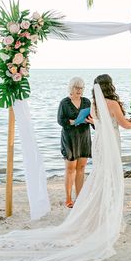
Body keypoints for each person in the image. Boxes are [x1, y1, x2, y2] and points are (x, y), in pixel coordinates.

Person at [0, 76, 131, 261]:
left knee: (99, 177)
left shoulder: (93, 105)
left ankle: (95, 213)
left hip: (98, 144)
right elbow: (124, 125)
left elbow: (97, 123)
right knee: (108, 178)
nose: (79, 90)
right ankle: (101, 215)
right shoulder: (110, 103)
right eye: (77, 88)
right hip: (106, 145)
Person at [57, 77, 92, 208]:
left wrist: (89, 120)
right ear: (71, 88)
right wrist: (74, 121)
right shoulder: (64, 103)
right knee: (70, 168)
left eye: (81, 88)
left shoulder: (87, 102)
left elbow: (92, 117)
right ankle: (68, 198)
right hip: (70, 138)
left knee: (81, 168)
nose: (79, 90)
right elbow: (60, 120)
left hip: (84, 137)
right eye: (76, 87)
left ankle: (80, 198)